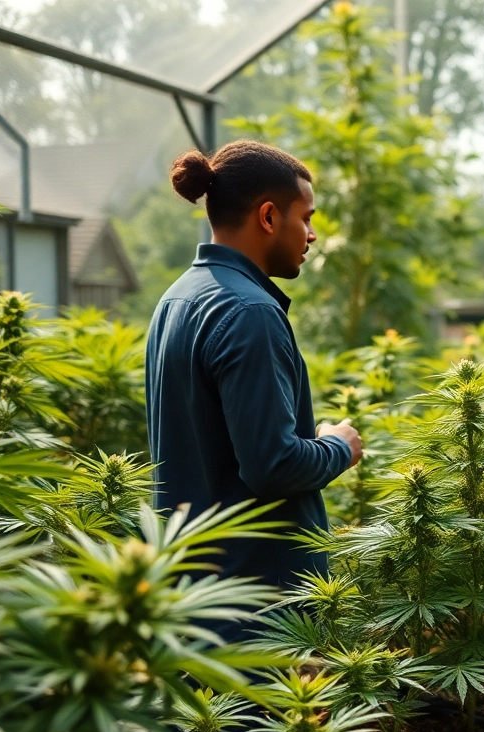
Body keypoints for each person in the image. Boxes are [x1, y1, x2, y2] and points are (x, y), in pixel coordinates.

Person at [147, 140, 363, 641]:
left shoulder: (177, 299)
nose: (311, 235)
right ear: (269, 216)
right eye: (306, 218)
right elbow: (273, 465)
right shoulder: (249, 314)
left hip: (192, 592)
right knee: (252, 724)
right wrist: (339, 446)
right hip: (253, 605)